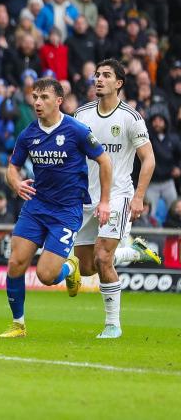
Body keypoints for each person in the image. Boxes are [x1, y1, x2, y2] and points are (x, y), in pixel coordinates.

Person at [0, 78, 113, 339]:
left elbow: (104, 161)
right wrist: (15, 182)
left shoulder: (77, 130)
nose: (37, 103)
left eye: (44, 98)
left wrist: (105, 201)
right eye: (35, 97)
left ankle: (70, 268)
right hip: (36, 206)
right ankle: (18, 324)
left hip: (66, 211)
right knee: (16, 262)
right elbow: (12, 167)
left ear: (58, 101)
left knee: (46, 275)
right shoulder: (28, 133)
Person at [71, 60, 160, 338]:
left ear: (118, 83)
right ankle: (135, 252)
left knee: (103, 257)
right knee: (86, 267)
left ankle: (113, 324)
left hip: (118, 196)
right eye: (97, 75)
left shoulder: (131, 118)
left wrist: (138, 197)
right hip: (85, 198)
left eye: (106, 75)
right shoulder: (81, 115)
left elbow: (148, 160)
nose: (98, 79)